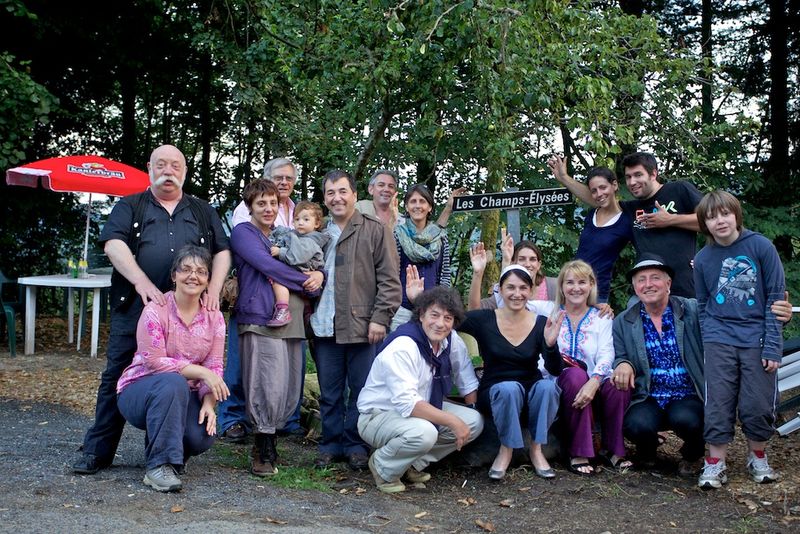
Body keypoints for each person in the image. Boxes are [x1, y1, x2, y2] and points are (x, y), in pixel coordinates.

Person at [73, 144, 230, 475]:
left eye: (175, 165)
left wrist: (214, 290)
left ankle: (168, 451)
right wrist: (142, 282)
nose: (168, 171)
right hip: (136, 308)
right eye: (161, 165)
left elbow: (223, 251)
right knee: (117, 374)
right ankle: (97, 451)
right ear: (150, 168)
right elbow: (113, 243)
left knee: (175, 380)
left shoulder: (202, 210)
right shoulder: (130, 205)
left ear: (185, 171)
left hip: (190, 314)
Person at [611, 254, 793, 475]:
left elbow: (733, 313)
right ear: (634, 287)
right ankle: (648, 454)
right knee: (636, 425)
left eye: (655, 278)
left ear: (668, 284)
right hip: (649, 394)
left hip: (688, 393)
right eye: (641, 280)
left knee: (688, 420)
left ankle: (692, 454)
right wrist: (623, 363)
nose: (648, 284)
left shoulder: (693, 310)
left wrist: (775, 314)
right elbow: (619, 354)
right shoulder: (624, 320)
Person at [473, 257, 630, 476]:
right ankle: (579, 451)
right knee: (575, 376)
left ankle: (614, 450)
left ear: (591, 285)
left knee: (617, 385)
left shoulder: (601, 317)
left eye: (582, 282)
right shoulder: (546, 310)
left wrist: (595, 381)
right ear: (561, 287)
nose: (576, 288)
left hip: (593, 379)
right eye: (570, 283)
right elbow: (511, 300)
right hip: (559, 379)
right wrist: (503, 263)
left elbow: (606, 354)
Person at [116, 246, 229, 492]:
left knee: (201, 437)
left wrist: (209, 402)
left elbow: (214, 366)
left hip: (183, 395)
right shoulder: (156, 310)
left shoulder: (214, 317)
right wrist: (200, 373)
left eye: (201, 271)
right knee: (172, 382)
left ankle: (173, 452)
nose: (193, 276)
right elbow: (154, 361)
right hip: (140, 390)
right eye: (186, 269)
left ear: (208, 279)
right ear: (174, 275)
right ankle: (159, 466)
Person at [309, 170, 402, 470]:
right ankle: (330, 444)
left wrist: (380, 318)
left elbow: (390, 281)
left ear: (354, 194)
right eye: (330, 193)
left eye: (342, 191)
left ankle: (356, 444)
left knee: (362, 391)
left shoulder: (375, 230)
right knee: (330, 391)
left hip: (363, 326)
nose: (337, 198)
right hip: (324, 324)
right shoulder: (317, 233)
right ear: (324, 199)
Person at [231, 179, 324, 476]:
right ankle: (262, 447)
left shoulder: (284, 236)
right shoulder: (245, 233)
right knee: (265, 382)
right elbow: (268, 266)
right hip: (262, 316)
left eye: (273, 203)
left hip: (293, 317)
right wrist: (308, 280)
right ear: (250, 207)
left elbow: (311, 266)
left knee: (286, 386)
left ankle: (273, 442)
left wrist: (318, 279)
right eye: (261, 203)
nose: (268, 208)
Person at [693, 190, 785, 489]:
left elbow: (775, 298)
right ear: (704, 223)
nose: (719, 221)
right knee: (718, 402)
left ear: (736, 214)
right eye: (711, 216)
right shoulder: (704, 258)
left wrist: (772, 344)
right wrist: (709, 338)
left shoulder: (760, 246)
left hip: (756, 337)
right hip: (719, 339)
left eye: (724, 213)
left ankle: (757, 455)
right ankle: (715, 463)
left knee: (757, 404)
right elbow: (704, 304)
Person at [357, 287, 484, 493]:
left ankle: (411, 463)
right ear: (422, 314)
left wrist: (472, 414)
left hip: (420, 410)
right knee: (425, 432)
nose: (440, 323)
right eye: (434, 315)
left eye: (448, 318)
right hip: (378, 416)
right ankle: (384, 466)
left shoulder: (451, 341)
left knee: (474, 421)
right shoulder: (404, 346)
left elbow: (467, 381)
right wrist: (453, 421)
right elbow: (408, 403)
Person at [221, 157, 305, 442]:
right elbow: (264, 263)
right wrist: (308, 283)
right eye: (278, 177)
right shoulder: (245, 218)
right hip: (253, 301)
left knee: (287, 367)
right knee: (242, 363)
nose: (284, 183)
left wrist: (311, 278)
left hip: (289, 305)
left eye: (288, 178)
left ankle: (285, 420)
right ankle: (232, 417)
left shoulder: (297, 212)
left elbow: (304, 255)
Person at [459, 264, 565, 480]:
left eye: (523, 288)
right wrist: (417, 299)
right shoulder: (485, 319)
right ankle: (505, 450)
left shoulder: (541, 323)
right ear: (500, 289)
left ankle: (536, 450)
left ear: (530, 291)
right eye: (510, 288)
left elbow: (555, 370)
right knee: (509, 389)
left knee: (547, 387)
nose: (517, 294)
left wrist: (551, 345)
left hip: (529, 392)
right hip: (496, 392)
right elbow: (452, 317)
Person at [552, 152, 702, 297]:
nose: (632, 182)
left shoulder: (679, 189)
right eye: (628, 177)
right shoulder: (632, 209)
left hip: (683, 289)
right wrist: (565, 178)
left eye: (638, 175)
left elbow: (712, 222)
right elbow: (600, 199)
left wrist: (670, 220)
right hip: (646, 292)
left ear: (653, 174)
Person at [548, 158, 632, 302]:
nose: (599, 194)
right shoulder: (593, 213)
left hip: (596, 292)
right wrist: (564, 178)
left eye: (603, 187)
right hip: (572, 286)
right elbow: (596, 198)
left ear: (615, 185)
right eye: (594, 190)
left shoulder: (626, 220)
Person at [391, 184, 451, 331]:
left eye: (422, 201)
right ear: (406, 206)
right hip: (402, 310)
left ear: (430, 207)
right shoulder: (398, 235)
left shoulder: (441, 238)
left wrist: (440, 306)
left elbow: (444, 276)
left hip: (434, 311)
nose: (417, 206)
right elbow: (392, 273)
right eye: (413, 201)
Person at [267, 201, 330, 327]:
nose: (300, 222)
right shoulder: (300, 236)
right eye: (297, 219)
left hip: (305, 273)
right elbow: (287, 234)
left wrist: (281, 252)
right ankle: (306, 312)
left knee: (278, 279)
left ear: (317, 223)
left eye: (306, 219)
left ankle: (282, 308)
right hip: (302, 273)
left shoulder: (311, 240)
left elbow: (298, 256)